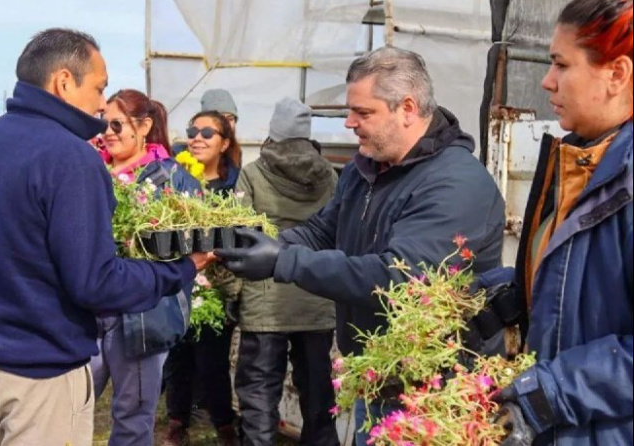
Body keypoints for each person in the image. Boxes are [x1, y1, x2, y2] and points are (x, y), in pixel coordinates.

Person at [215, 46, 506, 445]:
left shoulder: (455, 183)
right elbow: (322, 230)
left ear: (407, 108)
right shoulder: (365, 170)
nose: (349, 123)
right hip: (377, 380)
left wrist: (283, 260)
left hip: (432, 394)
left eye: (363, 112)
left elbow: (397, 277)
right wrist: (258, 245)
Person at [0, 28, 212, 446]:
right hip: (38, 375)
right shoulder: (69, 157)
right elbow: (95, 283)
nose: (102, 103)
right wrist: (180, 269)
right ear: (64, 81)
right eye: (99, 87)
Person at [477, 1, 633, 445]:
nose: (547, 81)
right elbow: (591, 285)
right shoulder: (581, 160)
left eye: (561, 64)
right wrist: (516, 297)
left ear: (617, 74)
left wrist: (551, 393)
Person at [89, 88, 201, 446]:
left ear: (145, 125)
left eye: (116, 124)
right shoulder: (89, 169)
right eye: (102, 124)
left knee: (134, 419)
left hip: (141, 315)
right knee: (65, 406)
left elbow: (196, 242)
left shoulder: (174, 180)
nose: (108, 132)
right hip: (87, 309)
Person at [233, 98, 340, 445]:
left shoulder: (253, 172)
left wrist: (233, 293)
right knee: (319, 396)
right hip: (316, 295)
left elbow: (240, 235)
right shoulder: (330, 176)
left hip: (265, 299)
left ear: (273, 131)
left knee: (259, 396)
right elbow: (337, 233)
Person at [162, 110, 242, 446]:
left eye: (207, 133)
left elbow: (240, 232)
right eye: (193, 130)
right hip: (178, 278)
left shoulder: (235, 184)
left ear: (224, 143)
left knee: (214, 358)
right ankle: (177, 418)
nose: (197, 137)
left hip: (217, 281)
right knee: (177, 355)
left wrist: (212, 257)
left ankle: (223, 419)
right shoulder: (174, 177)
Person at [171, 88, 238, 153]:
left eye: (230, 119)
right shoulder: (178, 156)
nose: (227, 124)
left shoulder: (234, 153)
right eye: (221, 119)